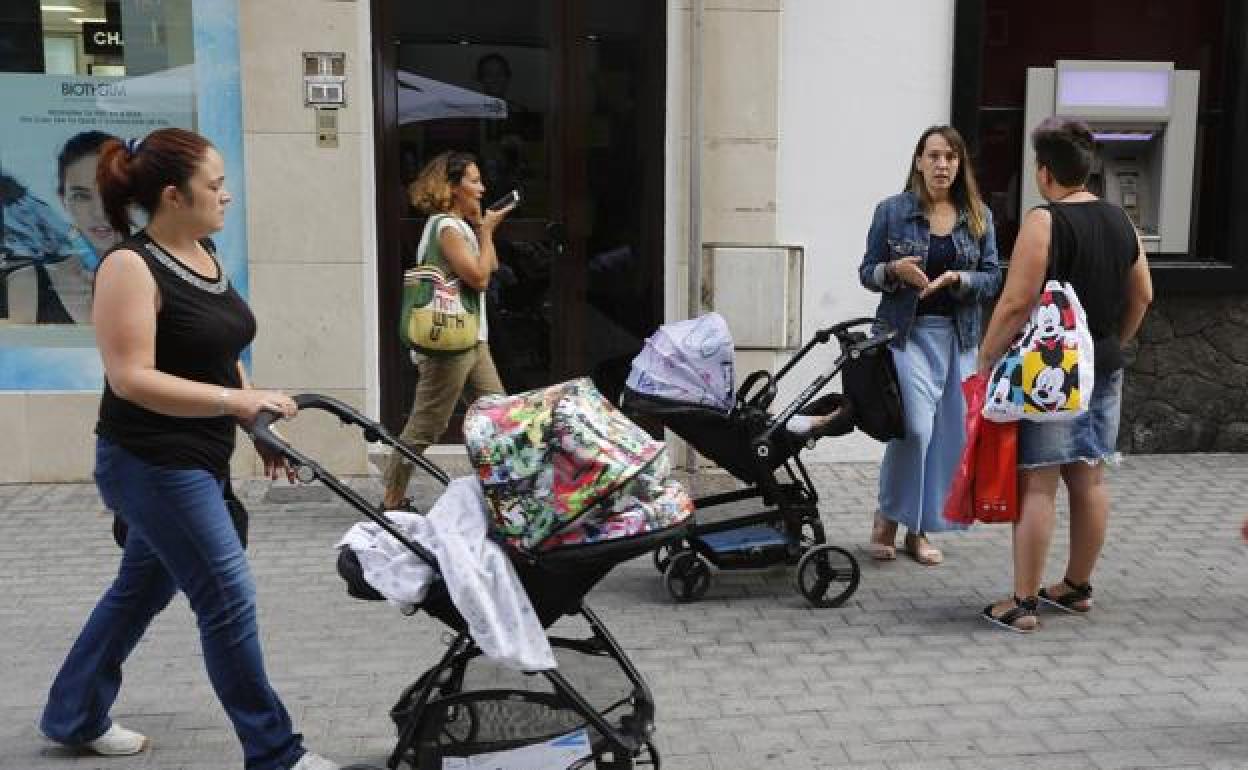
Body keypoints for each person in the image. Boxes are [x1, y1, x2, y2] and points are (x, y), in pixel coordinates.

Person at [38, 128, 338, 770]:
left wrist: (257, 425)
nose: (227, 196)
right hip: (148, 463)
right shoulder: (128, 266)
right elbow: (131, 378)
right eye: (216, 185)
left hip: (197, 458)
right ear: (174, 196)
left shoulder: (203, 255)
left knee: (139, 591)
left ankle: (74, 713)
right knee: (226, 596)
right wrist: (236, 405)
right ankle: (276, 752)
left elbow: (222, 352)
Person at [978, 118, 1152, 633]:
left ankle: (1023, 603)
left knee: (1038, 482)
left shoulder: (1044, 221)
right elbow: (1143, 294)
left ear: (1045, 171)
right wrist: (1113, 343)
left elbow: (1015, 303)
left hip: (1054, 372)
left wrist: (987, 358)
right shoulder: (1121, 220)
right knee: (1090, 475)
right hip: (1102, 366)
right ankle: (1076, 587)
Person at [857, 125, 1002, 565]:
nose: (942, 165)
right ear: (919, 161)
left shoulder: (978, 215)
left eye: (951, 157)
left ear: (960, 165)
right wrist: (893, 270)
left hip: (957, 337)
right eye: (934, 155)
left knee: (945, 438)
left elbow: (994, 276)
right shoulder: (892, 211)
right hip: (905, 336)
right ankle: (888, 515)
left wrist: (961, 279)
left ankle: (917, 531)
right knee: (915, 430)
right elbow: (866, 272)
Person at [381, 151, 514, 509]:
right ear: (453, 188)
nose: (482, 188)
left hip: (473, 339)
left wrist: (482, 230)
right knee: (426, 425)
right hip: (448, 342)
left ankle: (508, 494)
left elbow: (492, 264)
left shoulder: (461, 227)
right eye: (473, 181)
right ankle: (391, 500)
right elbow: (480, 278)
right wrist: (485, 229)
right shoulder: (445, 228)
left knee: (499, 417)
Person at [6, 131, 121, 323]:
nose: (99, 212)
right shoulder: (27, 283)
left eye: (111, 193)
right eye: (82, 196)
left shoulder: (165, 279)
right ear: (64, 200)